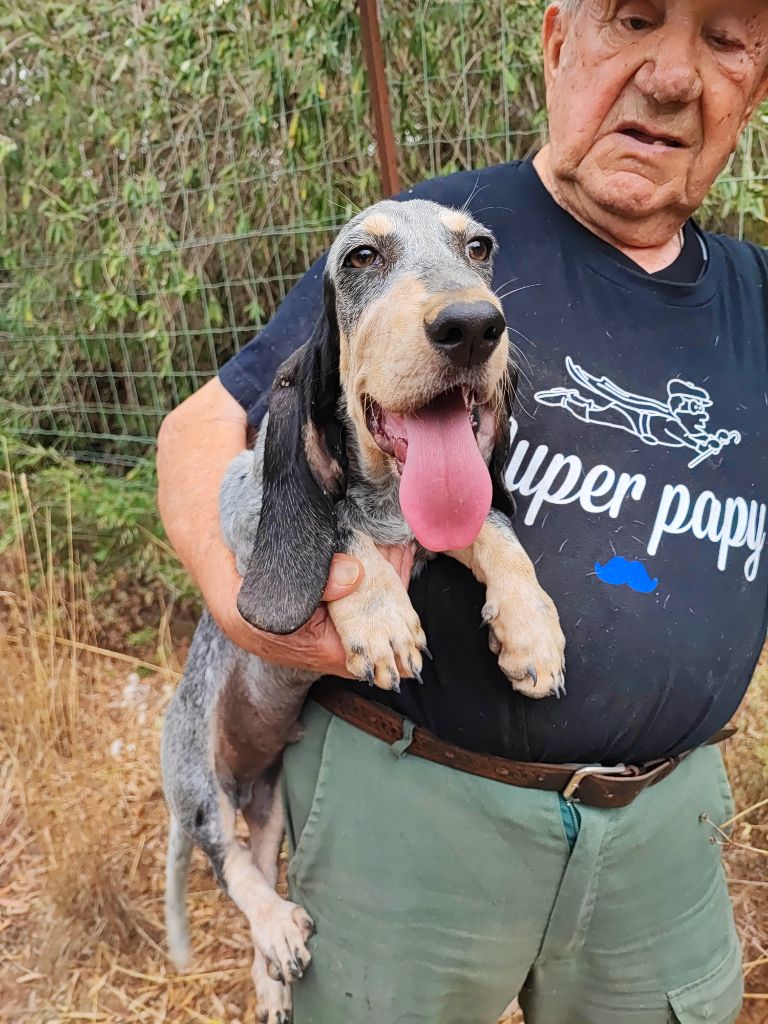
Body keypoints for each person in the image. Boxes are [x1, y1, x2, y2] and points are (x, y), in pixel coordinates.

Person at [156, 2, 768, 1021]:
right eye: (634, 19)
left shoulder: (757, 296)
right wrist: (263, 608)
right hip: (411, 824)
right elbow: (198, 433)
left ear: (757, 80)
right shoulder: (420, 234)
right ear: (558, 39)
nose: (670, 76)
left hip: (666, 833)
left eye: (725, 37)